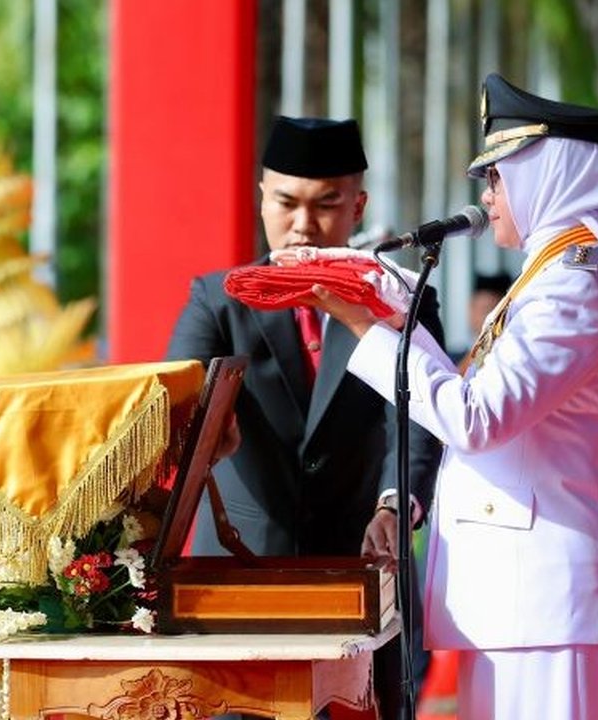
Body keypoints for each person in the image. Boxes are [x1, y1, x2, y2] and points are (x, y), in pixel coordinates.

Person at [301, 73, 598, 718]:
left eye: (499, 177)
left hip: (550, 605)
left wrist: (369, 327)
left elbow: (476, 419)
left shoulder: (573, 288)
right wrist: (391, 320)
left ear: (553, 178)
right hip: (529, 605)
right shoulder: (550, 278)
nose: (488, 195)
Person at [166, 116, 445, 718]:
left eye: (327, 204)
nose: (303, 224)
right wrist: (202, 429)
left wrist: (397, 504)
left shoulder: (398, 298)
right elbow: (174, 394)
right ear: (260, 197)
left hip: (360, 574)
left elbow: (419, 417)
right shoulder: (219, 300)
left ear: (358, 206)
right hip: (236, 584)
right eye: (286, 202)